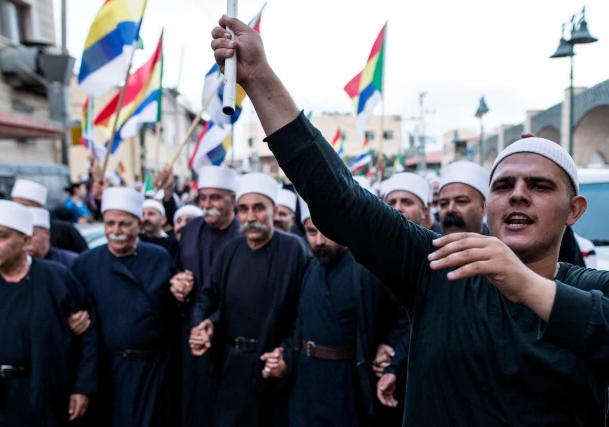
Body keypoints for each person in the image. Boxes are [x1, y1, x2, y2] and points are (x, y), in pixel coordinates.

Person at [210, 20, 609, 425]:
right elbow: (341, 199)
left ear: (574, 210)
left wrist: (525, 284)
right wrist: (258, 78)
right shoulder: (438, 268)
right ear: (489, 206)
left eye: (539, 185)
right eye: (504, 185)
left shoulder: (596, 290)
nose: (519, 195)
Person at [262, 198, 407, 427]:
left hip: (348, 387)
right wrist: (285, 356)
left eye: (326, 231)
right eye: (312, 232)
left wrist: (389, 348)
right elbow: (299, 327)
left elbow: (403, 318)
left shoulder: (369, 269)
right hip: (305, 385)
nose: (319, 241)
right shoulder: (309, 269)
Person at [190, 172, 310, 427]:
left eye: (259, 208)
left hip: (273, 367)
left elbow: (304, 312)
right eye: (243, 209)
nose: (251, 217)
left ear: (274, 210)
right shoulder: (230, 251)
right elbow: (206, 299)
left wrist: (288, 353)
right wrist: (200, 326)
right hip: (231, 366)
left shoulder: (295, 250)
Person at [0, 200, 97, 426]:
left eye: (0, 236)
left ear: (25, 241)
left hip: (46, 395)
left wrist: (82, 388)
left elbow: (89, 337)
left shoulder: (56, 278)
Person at [72, 187, 179, 427]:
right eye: (110, 224)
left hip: (155, 371)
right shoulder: (86, 263)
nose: (116, 231)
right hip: (108, 372)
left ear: (139, 224)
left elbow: (173, 309)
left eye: (124, 224)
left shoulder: (159, 257)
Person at [172, 165, 241, 427]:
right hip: (193, 334)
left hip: (231, 338)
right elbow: (178, 268)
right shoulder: (191, 229)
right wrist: (178, 285)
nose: (207, 204)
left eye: (215, 198)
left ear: (232, 199)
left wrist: (212, 321)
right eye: (202, 198)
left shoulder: (244, 234)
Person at [11, 179, 88, 254]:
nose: (18, 210)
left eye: (22, 205)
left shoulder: (63, 230)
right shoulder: (11, 231)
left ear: (39, 206)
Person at [437, 161, 489, 235]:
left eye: (461, 201)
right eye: (444, 204)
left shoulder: (501, 241)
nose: (450, 209)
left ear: (484, 207)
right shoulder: (431, 241)